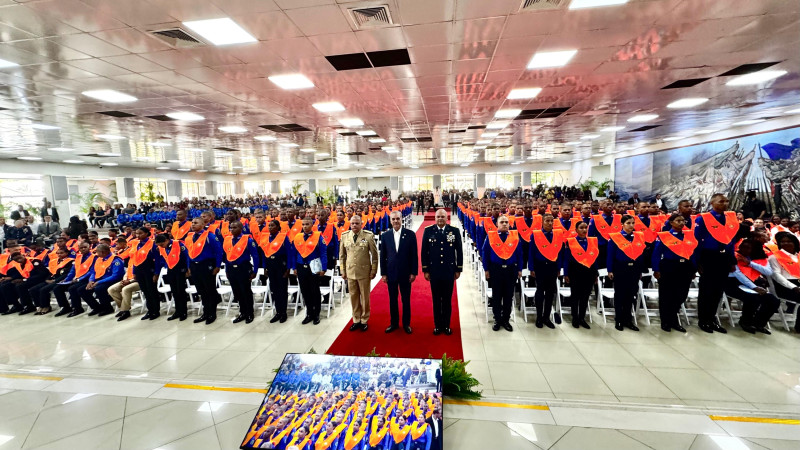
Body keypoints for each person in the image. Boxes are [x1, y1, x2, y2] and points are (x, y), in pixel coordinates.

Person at [694, 194, 738, 333]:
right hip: (708, 256)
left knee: (718, 290)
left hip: (724, 257)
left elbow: (731, 241)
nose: (724, 204)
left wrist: (731, 260)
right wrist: (698, 261)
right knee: (706, 290)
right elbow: (696, 240)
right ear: (712, 202)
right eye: (721, 201)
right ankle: (703, 320)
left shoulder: (730, 218)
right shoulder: (703, 218)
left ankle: (712, 319)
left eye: (726, 201)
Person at [652, 214, 698, 332]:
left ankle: (674, 319)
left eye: (683, 220)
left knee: (681, 295)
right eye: (678, 220)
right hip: (669, 266)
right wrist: (656, 269)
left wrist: (693, 268)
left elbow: (692, 253)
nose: (681, 223)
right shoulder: (664, 236)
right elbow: (656, 254)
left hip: (685, 267)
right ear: (671, 222)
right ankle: (665, 321)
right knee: (666, 295)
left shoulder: (689, 235)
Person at [421, 209, 463, 335]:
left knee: (447, 300)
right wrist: (426, 269)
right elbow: (424, 251)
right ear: (435, 218)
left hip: (449, 271)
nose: (440, 219)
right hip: (434, 271)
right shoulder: (428, 231)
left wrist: (458, 268)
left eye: (442, 217)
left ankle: (446, 325)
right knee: (436, 300)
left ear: (447, 217)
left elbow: (459, 251)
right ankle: (438, 325)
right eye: (438, 216)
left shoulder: (454, 231)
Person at [727, 239, 780, 334]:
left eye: (748, 248)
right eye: (742, 246)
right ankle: (745, 322)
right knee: (753, 298)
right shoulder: (735, 256)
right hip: (735, 283)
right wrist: (754, 287)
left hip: (754, 284)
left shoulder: (760, 259)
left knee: (774, 301)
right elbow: (738, 274)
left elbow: (768, 272)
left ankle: (759, 323)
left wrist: (750, 263)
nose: (744, 249)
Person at [379, 211, 418, 334]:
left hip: (405, 273)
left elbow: (414, 256)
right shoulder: (385, 236)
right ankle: (394, 323)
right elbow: (383, 256)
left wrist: (413, 272)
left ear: (401, 219)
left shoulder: (410, 235)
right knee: (393, 299)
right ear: (390, 220)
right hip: (391, 273)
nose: (396, 221)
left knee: (406, 300)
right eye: (393, 219)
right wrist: (383, 273)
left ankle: (406, 324)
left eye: (398, 219)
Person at [482, 215, 522, 332]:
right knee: (497, 296)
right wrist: (486, 269)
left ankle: (506, 320)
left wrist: (519, 269)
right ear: (497, 224)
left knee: (508, 296)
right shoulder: (491, 236)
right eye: (502, 222)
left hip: (511, 269)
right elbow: (485, 254)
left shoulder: (515, 236)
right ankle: (497, 320)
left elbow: (520, 254)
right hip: (496, 269)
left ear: (509, 224)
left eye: (506, 222)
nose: (504, 224)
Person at [607, 215, 646, 331]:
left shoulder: (638, 237)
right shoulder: (615, 238)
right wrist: (610, 270)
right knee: (620, 295)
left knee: (631, 295)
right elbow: (610, 256)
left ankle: (628, 319)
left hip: (634, 269)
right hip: (620, 268)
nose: (631, 225)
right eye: (628, 223)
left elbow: (640, 255)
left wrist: (640, 270)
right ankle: (618, 319)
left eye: (633, 223)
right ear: (622, 224)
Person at [340, 215, 379, 331]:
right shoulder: (345, 236)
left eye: (357, 223)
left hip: (364, 272)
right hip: (350, 271)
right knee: (353, 297)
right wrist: (342, 270)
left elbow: (375, 256)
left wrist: (373, 270)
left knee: (365, 297)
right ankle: (356, 319)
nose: (354, 226)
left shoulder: (368, 236)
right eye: (352, 224)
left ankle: (364, 319)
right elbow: (341, 256)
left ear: (361, 224)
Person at [288, 217, 327, 325]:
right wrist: (294, 267)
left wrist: (324, 268)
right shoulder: (298, 237)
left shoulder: (318, 237)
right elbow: (294, 254)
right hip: (301, 267)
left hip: (313, 267)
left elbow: (323, 253)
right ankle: (309, 313)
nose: (305, 226)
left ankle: (316, 314)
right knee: (305, 291)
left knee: (315, 291)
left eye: (307, 224)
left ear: (312, 224)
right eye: (303, 224)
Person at [185, 217, 224, 325]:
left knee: (210, 291)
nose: (193, 225)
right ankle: (205, 313)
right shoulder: (190, 237)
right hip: (194, 266)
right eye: (192, 223)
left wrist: (217, 266)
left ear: (202, 224)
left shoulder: (210, 236)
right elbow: (189, 253)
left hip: (207, 265)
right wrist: (189, 266)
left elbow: (219, 252)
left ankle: (212, 313)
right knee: (201, 291)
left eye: (196, 223)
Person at [529, 214, 564, 328]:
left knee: (550, 293)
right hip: (540, 266)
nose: (549, 223)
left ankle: (546, 317)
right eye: (547, 221)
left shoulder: (558, 234)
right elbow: (531, 252)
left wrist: (559, 268)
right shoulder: (536, 234)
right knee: (540, 292)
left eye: (551, 221)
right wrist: (531, 268)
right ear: (542, 222)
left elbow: (559, 252)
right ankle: (539, 317)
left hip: (552, 266)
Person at [563, 221, 599, 329]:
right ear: (576, 229)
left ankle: (582, 318)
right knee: (575, 296)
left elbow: (595, 258)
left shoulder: (592, 241)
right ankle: (575, 317)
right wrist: (566, 273)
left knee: (585, 297)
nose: (584, 230)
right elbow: (566, 259)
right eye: (581, 228)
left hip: (589, 273)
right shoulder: (571, 242)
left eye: (585, 228)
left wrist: (596, 274)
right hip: (575, 272)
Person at [223, 220, 259, 324]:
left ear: (241, 228)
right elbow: (227, 256)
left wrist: (255, 270)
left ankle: (249, 313)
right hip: (231, 268)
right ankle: (242, 312)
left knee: (246, 291)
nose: (232, 230)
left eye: (234, 227)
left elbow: (255, 256)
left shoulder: (248, 240)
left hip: (243, 268)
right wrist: (226, 269)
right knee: (237, 292)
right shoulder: (227, 239)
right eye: (231, 227)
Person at [76, 243, 124, 316]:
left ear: (103, 252)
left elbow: (115, 276)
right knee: (82, 290)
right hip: (100, 280)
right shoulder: (99, 259)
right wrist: (91, 281)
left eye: (97, 252)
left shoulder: (116, 260)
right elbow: (93, 272)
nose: (96, 253)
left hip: (112, 280)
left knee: (99, 289)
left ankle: (108, 308)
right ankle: (97, 308)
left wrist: (99, 282)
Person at [52, 242, 95, 317]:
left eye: (85, 247)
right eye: (81, 248)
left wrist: (79, 279)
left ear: (89, 247)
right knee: (57, 288)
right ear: (79, 249)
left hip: (87, 279)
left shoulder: (94, 257)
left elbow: (92, 271)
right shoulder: (78, 257)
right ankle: (65, 307)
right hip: (76, 279)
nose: (83, 249)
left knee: (73, 289)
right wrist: (66, 279)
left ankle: (77, 308)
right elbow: (73, 270)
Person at [768, 232, 800, 333]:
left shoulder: (798, 256)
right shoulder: (774, 257)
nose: (785, 243)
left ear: (795, 243)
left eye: (789, 241)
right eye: (782, 242)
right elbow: (777, 276)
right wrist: (793, 287)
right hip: (785, 287)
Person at [259, 219, 290, 323]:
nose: (270, 227)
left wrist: (288, 269)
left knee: (282, 290)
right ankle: (278, 312)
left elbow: (289, 254)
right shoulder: (266, 238)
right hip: (270, 266)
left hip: (281, 265)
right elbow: (264, 254)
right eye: (269, 226)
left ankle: (284, 313)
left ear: (278, 227)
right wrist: (264, 267)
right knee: (274, 290)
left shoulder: (283, 237)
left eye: (273, 226)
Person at [154, 234, 190, 321]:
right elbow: (161, 260)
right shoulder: (161, 248)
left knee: (180, 291)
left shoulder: (179, 244)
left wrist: (188, 268)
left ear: (166, 240)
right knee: (174, 292)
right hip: (170, 270)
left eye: (162, 244)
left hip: (180, 269)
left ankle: (183, 312)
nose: (161, 247)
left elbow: (187, 257)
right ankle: (177, 311)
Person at [29, 247, 73, 315]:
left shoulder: (70, 261)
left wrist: (55, 280)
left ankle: (49, 306)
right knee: (33, 289)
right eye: (58, 253)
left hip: (61, 280)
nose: (59, 254)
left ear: (67, 253)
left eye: (61, 253)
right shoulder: (53, 261)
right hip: (51, 279)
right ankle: (40, 306)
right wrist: (47, 279)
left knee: (44, 290)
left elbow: (66, 274)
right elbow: (51, 272)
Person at [129, 227, 160, 320]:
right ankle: (149, 310)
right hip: (139, 270)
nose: (138, 235)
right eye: (137, 233)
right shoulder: (136, 244)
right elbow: (135, 258)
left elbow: (157, 260)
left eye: (140, 233)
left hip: (149, 270)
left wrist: (156, 273)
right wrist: (134, 272)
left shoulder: (153, 243)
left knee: (152, 291)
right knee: (145, 292)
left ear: (147, 233)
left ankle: (156, 311)